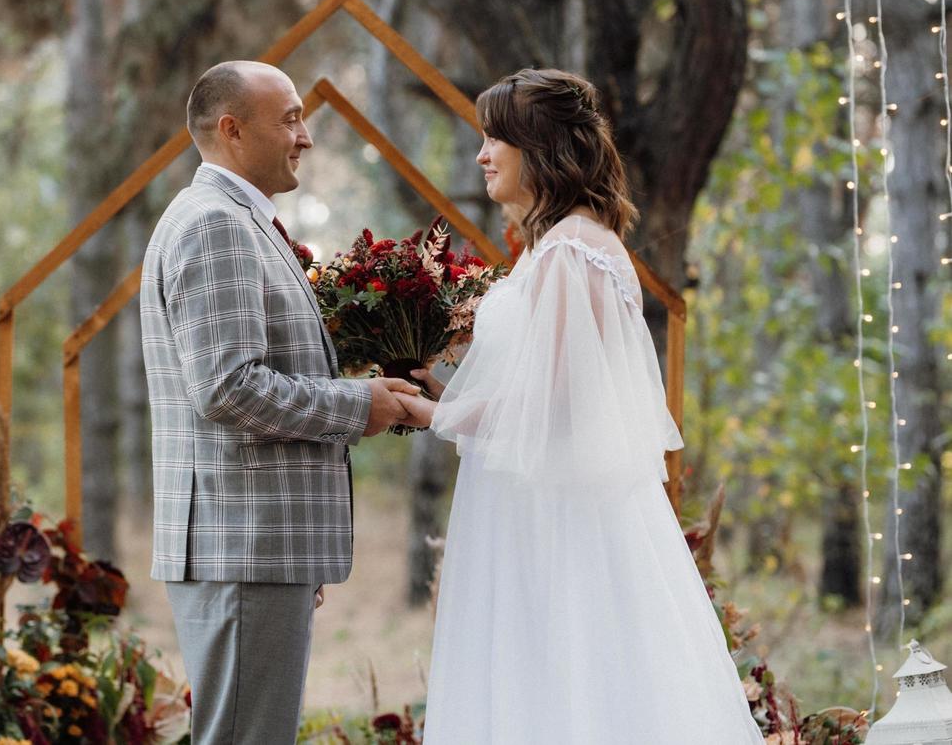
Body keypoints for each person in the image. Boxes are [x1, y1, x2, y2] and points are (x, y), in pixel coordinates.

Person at [398, 69, 760, 743]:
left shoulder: (570, 251)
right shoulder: (563, 246)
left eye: (495, 138)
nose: (482, 154)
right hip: (540, 503)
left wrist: (429, 416)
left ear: (539, 148)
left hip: (556, 519)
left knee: (564, 687)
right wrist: (444, 397)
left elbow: (549, 404)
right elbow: (536, 394)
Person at [140, 61, 428, 745]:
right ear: (232, 130)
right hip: (241, 544)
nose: (306, 137)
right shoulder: (216, 226)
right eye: (291, 118)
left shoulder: (240, 221)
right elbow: (227, 386)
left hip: (260, 547)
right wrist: (358, 407)